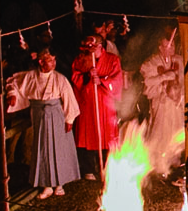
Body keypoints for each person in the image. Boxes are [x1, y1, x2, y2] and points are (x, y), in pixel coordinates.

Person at [7, 47, 80, 198]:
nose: (53, 63)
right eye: (49, 60)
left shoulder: (60, 78)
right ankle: (46, 184)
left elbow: (68, 97)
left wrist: (69, 118)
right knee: (42, 149)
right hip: (39, 114)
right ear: (40, 62)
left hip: (56, 115)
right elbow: (12, 82)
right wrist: (12, 95)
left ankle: (60, 183)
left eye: (54, 60)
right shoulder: (30, 76)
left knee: (59, 148)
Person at [71, 34, 125, 180]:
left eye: (92, 47)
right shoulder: (81, 60)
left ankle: (108, 167)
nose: (89, 50)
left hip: (106, 104)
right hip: (88, 103)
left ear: (100, 46)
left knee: (107, 136)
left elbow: (118, 81)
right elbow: (75, 76)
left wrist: (102, 81)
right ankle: (88, 168)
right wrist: (88, 77)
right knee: (87, 134)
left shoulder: (113, 60)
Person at [139, 29, 184, 175]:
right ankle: (158, 166)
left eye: (171, 46)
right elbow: (147, 81)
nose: (169, 49)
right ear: (160, 48)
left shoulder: (180, 60)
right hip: (161, 105)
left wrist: (180, 92)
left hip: (177, 105)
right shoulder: (151, 63)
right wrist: (164, 77)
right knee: (160, 133)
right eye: (166, 47)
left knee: (176, 133)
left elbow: (185, 80)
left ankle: (175, 164)